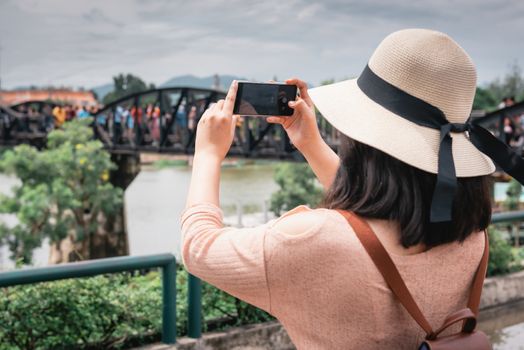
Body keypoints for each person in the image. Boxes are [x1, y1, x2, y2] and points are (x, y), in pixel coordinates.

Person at [180, 29, 524, 348]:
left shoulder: (311, 241)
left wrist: (208, 153)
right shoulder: (471, 234)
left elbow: (199, 246)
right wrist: (310, 144)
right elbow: (373, 220)